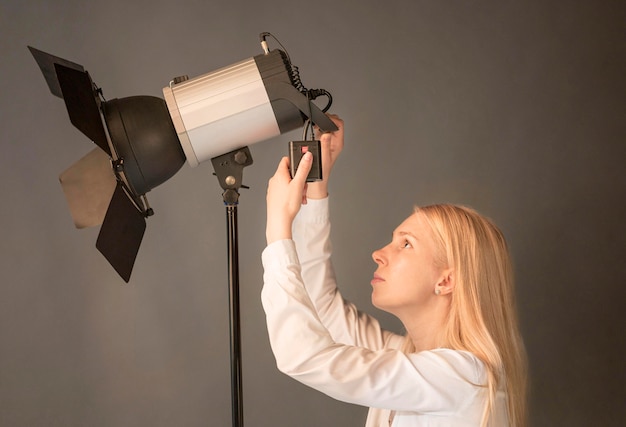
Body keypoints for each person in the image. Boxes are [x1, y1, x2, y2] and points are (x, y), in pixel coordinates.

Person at [262, 115, 527, 426]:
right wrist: (315, 193)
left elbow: (305, 356)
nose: (378, 254)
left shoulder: (465, 376)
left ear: (446, 280)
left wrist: (279, 230)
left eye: (405, 244)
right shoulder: (408, 357)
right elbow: (322, 311)